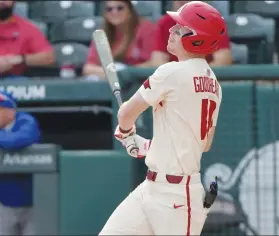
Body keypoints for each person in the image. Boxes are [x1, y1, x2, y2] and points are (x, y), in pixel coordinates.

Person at [99, 1, 224, 235]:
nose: (171, 30)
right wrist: (145, 146)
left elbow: (126, 113)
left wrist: (126, 134)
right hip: (152, 187)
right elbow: (202, 143)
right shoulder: (214, 83)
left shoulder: (171, 71)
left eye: (179, 28)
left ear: (196, 38)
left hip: (178, 196)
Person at [0, 90, 41, 236]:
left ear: (10, 112)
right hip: (4, 204)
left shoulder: (25, 121)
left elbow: (20, 139)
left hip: (34, 205)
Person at [145, 0, 233, 67]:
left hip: (204, 82)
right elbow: (158, 60)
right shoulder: (165, 22)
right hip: (175, 82)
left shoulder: (213, 22)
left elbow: (223, 59)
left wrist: (199, 78)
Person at [83, 0, 156, 79]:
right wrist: (114, 73)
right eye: (109, 9)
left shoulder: (146, 29)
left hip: (139, 80)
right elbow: (88, 68)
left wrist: (126, 71)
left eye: (120, 8)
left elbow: (153, 63)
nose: (114, 12)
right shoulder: (101, 35)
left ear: (130, 10)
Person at [0, 0, 55, 79]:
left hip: (13, 78)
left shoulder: (26, 27)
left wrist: (21, 59)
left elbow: (49, 58)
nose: (1, 2)